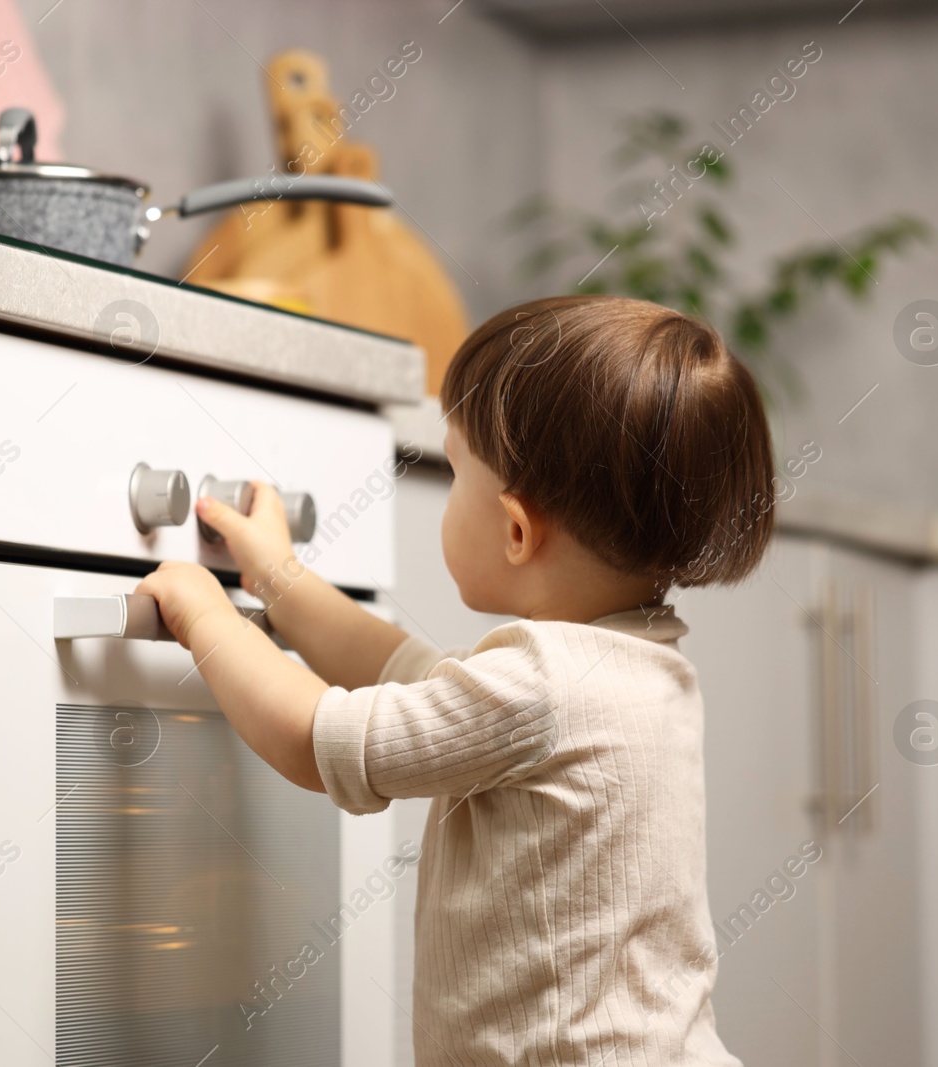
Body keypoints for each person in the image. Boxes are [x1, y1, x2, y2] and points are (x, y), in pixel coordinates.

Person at [136, 293, 773, 1065]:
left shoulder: (545, 687)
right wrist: (277, 576)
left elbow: (316, 740)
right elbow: (410, 673)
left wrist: (208, 619)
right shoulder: (640, 665)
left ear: (514, 529)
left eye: (455, 469)